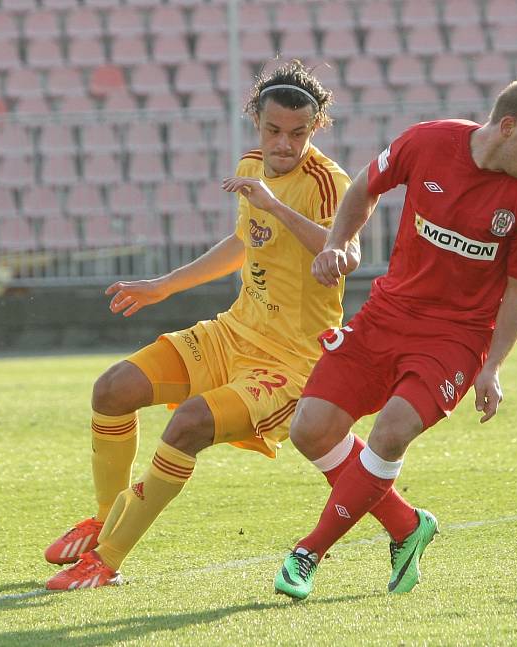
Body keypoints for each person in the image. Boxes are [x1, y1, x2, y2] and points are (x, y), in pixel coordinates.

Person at [44, 60, 362, 590]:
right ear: (256, 122)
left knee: (187, 423)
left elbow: (344, 254)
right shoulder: (251, 164)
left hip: (292, 362)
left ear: (316, 127)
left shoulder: (330, 183)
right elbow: (243, 243)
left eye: (298, 133)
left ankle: (108, 560)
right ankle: (103, 522)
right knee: (113, 389)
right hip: (233, 332)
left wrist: (278, 208)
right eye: (274, 131)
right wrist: (164, 285)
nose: (284, 144)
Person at [273, 80, 517, 600]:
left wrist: (492, 366)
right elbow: (364, 186)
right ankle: (408, 527)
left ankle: (308, 553)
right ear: (508, 127)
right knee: (310, 430)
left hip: (455, 339)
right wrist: (339, 244)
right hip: (387, 314)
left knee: (390, 433)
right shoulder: (428, 143)